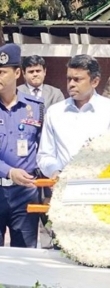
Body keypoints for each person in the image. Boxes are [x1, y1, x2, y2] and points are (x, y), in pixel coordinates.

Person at [37, 55, 110, 249]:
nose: (71, 84)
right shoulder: (55, 112)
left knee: (101, 252)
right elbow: (45, 154)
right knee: (64, 253)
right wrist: (55, 172)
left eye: (77, 79)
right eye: (69, 78)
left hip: (102, 197)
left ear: (95, 81)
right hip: (66, 198)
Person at [18, 55, 65, 249]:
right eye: (31, 71)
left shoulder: (55, 94)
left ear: (45, 72)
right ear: (23, 74)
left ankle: (49, 245)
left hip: (49, 158)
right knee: (25, 210)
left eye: (38, 71)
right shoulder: (17, 92)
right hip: (24, 161)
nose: (35, 75)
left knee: (49, 207)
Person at [0, 44, 44, 248]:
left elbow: (43, 147)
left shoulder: (35, 107)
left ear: (17, 73)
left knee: (26, 253)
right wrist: (9, 172)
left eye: (2, 72)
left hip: (25, 192)